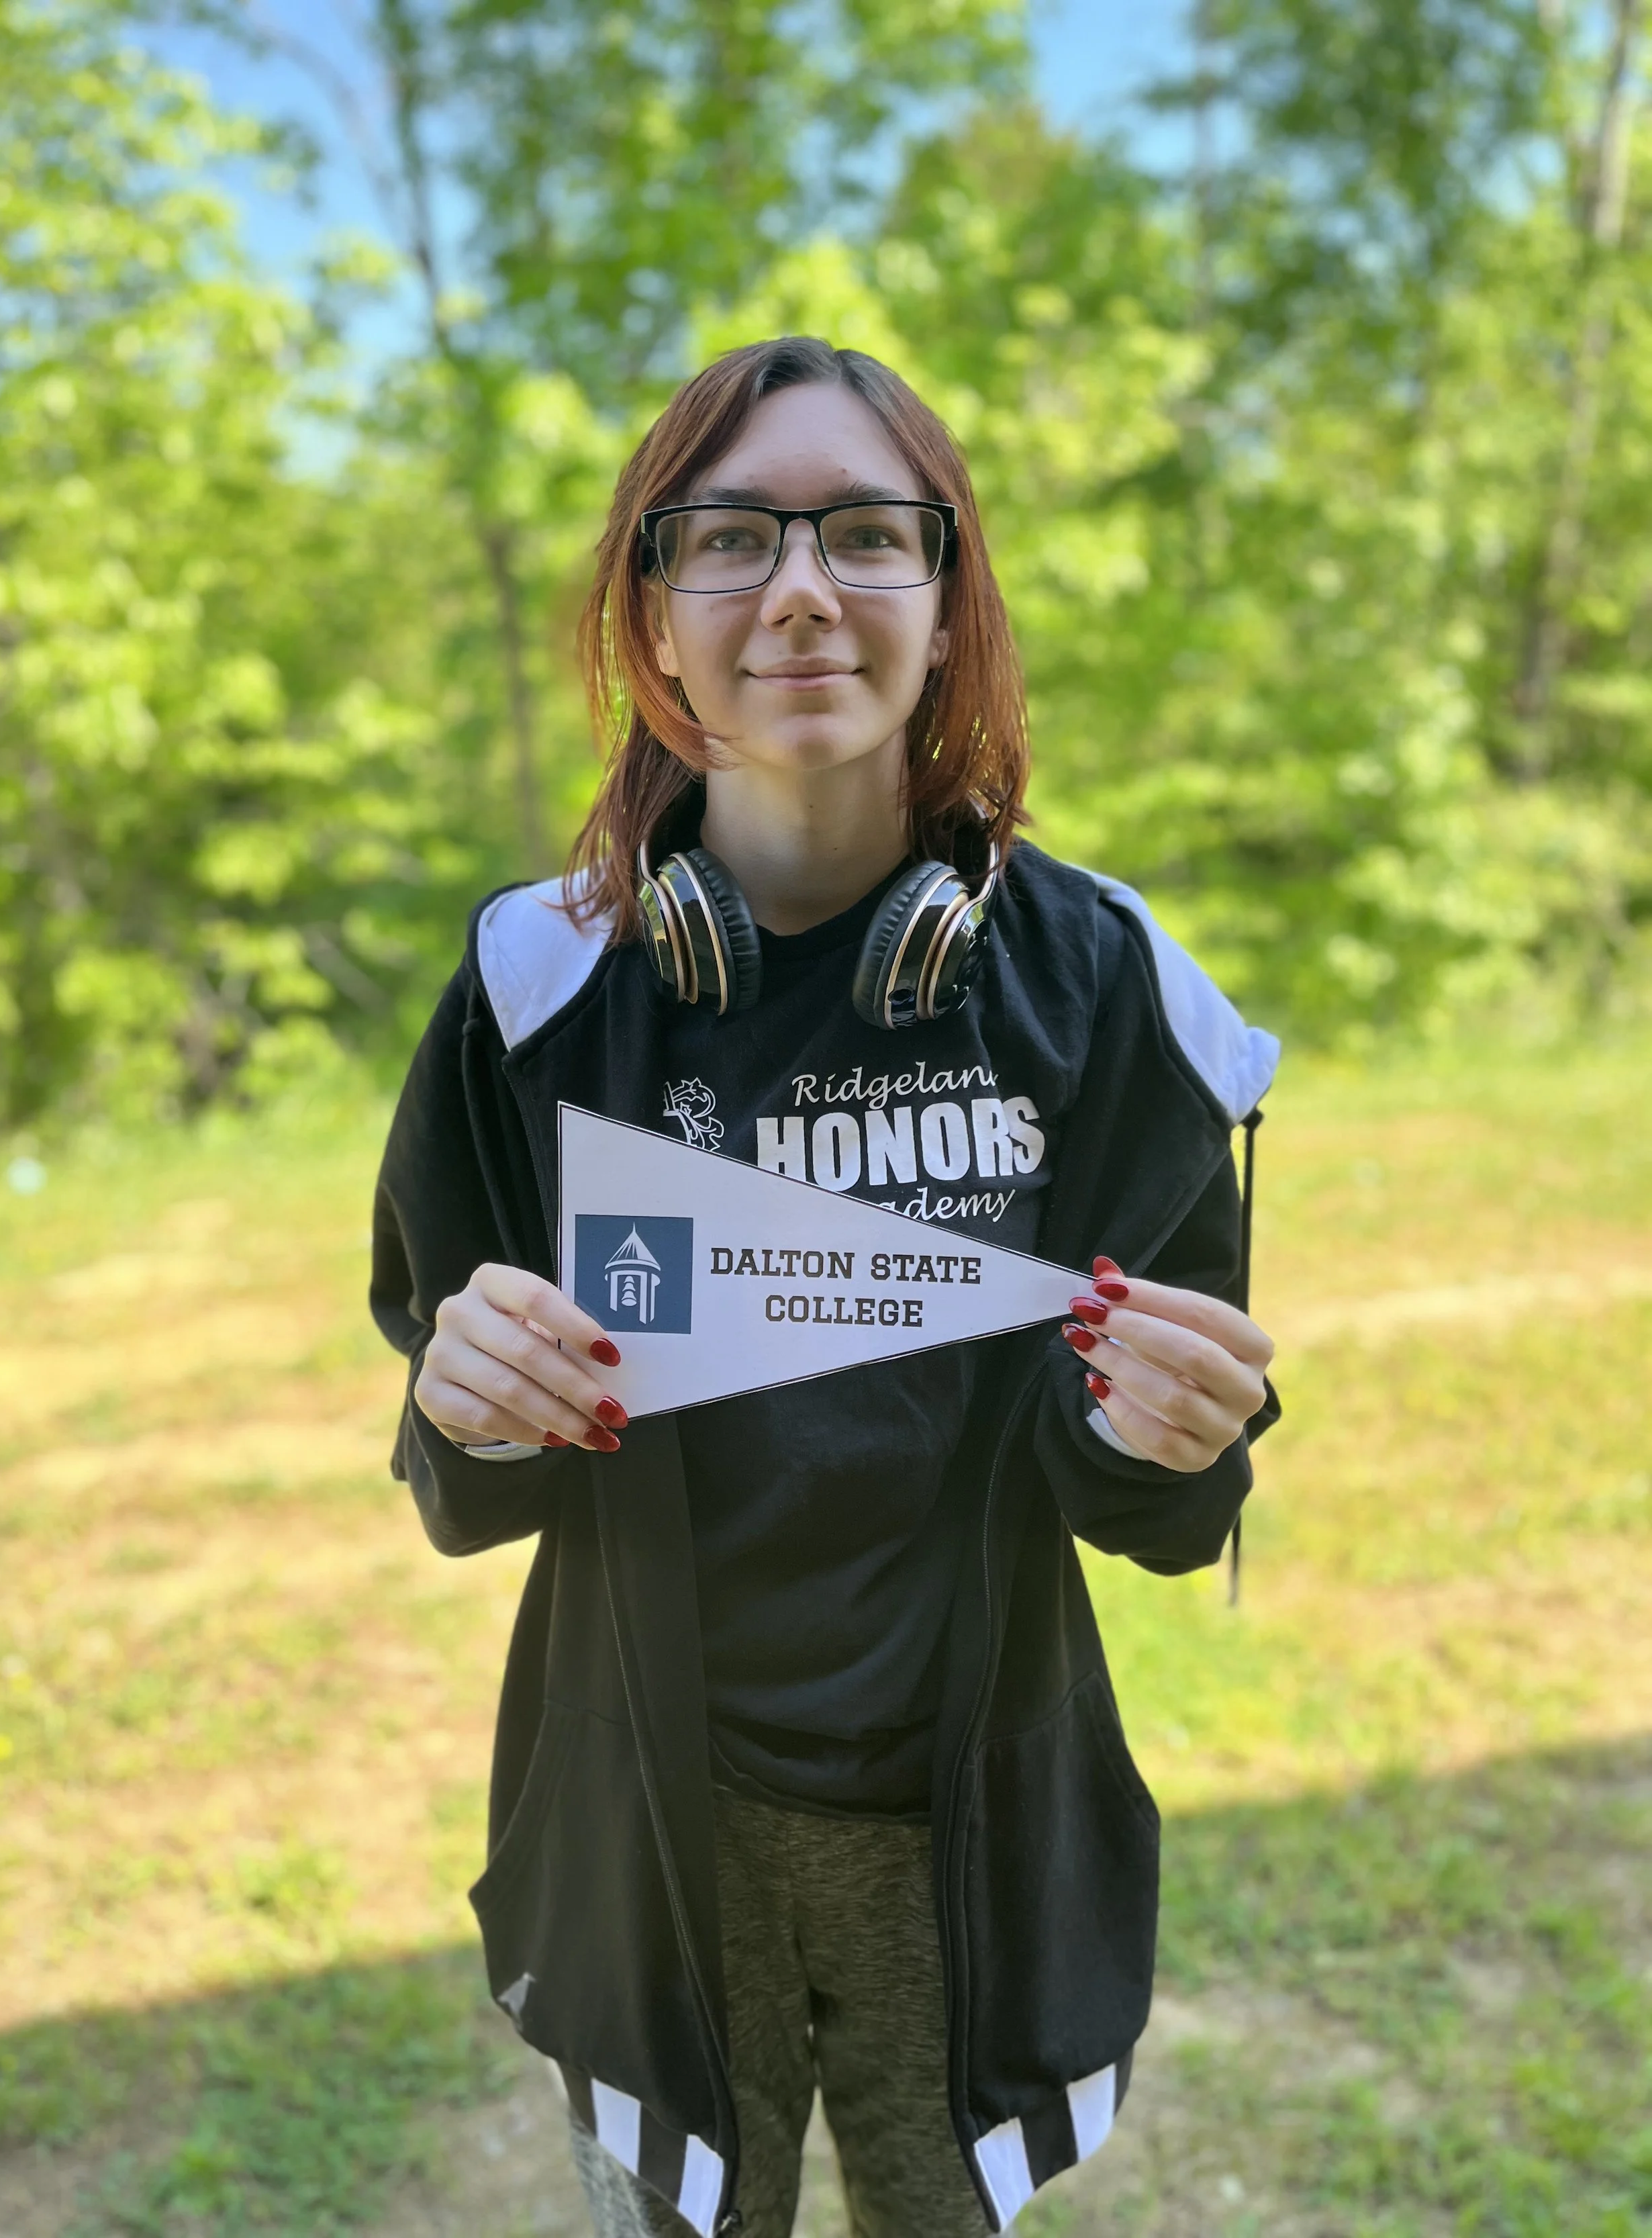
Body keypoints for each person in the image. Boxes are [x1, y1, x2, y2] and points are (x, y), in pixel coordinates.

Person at [370, 337, 1279, 2238]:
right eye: (728, 538)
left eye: (868, 533)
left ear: (947, 605)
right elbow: (465, 1461)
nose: (798, 587)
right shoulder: (540, 989)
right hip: (650, 1828)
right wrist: (464, 1394)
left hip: (967, 1819)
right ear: (655, 616)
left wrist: (1171, 1436)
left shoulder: (1101, 985)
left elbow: (1161, 1500)